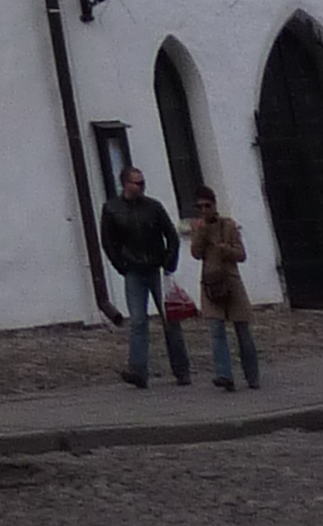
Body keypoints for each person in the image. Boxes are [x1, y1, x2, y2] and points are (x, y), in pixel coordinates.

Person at [98, 163, 191, 387]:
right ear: (125, 184)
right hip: (134, 271)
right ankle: (138, 371)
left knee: (171, 320)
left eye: (143, 183)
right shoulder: (112, 209)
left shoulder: (153, 207)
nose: (141, 186)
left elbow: (171, 235)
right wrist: (122, 265)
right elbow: (109, 242)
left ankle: (182, 370)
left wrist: (169, 262)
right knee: (138, 321)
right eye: (137, 183)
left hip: (156, 268)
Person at [188, 187, 261, 392]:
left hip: (231, 280)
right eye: (199, 206)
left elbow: (241, 254)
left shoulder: (228, 225)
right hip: (211, 282)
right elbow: (196, 253)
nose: (203, 210)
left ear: (214, 205)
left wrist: (224, 248)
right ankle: (224, 375)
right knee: (216, 329)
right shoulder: (197, 227)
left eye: (207, 206)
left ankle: (252, 376)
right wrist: (200, 233)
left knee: (242, 330)